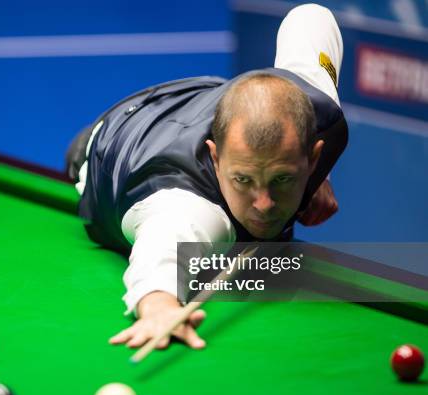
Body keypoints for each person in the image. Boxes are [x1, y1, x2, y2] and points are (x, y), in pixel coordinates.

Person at [66, 4, 348, 349]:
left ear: (312, 154)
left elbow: (311, 16)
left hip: (198, 98)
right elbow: (160, 256)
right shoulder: (186, 207)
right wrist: (159, 307)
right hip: (111, 143)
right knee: (78, 151)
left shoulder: (319, 110)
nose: (263, 204)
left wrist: (317, 177)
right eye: (243, 180)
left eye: (281, 179)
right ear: (215, 157)